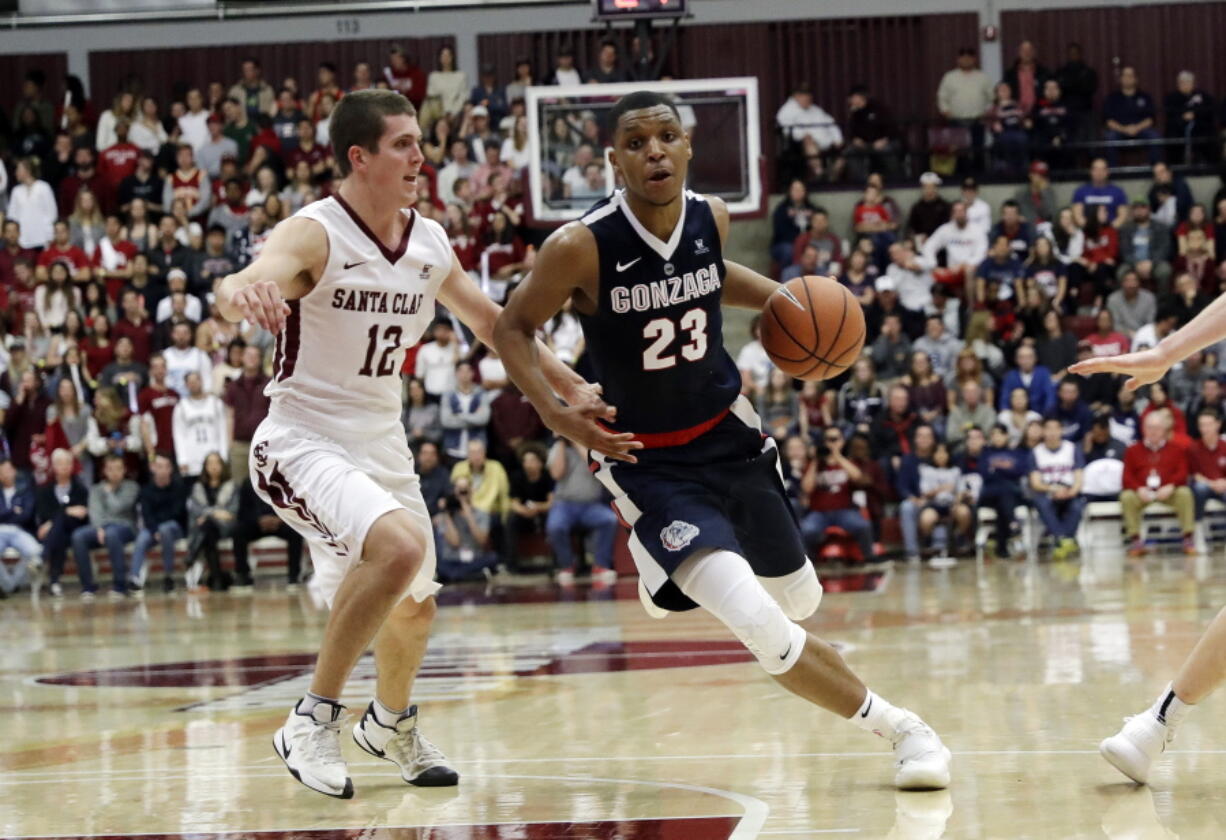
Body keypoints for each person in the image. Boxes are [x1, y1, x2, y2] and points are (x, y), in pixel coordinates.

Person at [494, 91, 950, 790]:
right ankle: (903, 730)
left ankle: (666, 576)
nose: (654, 151)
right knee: (764, 626)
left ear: (687, 148)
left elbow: (706, 277)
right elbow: (512, 327)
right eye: (637, 141)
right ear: (614, 160)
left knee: (798, 602)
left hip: (730, 438)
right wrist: (555, 414)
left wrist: (785, 302)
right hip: (647, 462)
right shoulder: (578, 246)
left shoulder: (713, 216)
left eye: (667, 137)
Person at [216, 89, 591, 798]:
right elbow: (249, 277)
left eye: (420, 142)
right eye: (402, 145)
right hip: (302, 438)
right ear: (359, 157)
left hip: (381, 443)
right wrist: (245, 289)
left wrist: (571, 387)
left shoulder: (428, 242)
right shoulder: (315, 232)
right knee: (399, 549)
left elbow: (495, 328)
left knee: (416, 603)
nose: (420, 156)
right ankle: (311, 718)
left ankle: (388, 723)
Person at [799, 426, 875, 561]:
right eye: (827, 439)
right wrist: (816, 460)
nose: (831, 443)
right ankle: (809, 563)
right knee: (807, 530)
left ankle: (869, 559)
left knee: (863, 526)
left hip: (844, 511)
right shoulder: (814, 463)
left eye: (835, 439)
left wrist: (837, 456)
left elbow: (858, 477)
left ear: (842, 441)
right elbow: (806, 488)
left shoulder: (848, 462)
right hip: (819, 512)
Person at [71, 454, 139, 599]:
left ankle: (120, 586)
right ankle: (88, 586)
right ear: (105, 471)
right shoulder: (96, 489)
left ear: (124, 470)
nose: (114, 472)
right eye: (110, 469)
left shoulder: (131, 487)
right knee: (78, 536)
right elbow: (94, 511)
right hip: (100, 528)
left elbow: (119, 507)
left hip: (125, 527)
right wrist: (99, 528)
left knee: (112, 534)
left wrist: (109, 493)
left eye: (118, 469)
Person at [1028, 417, 1085, 560]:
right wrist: (1053, 490)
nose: (1052, 433)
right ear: (1043, 431)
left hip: (1068, 489)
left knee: (1078, 505)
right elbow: (1035, 483)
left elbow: (1079, 478)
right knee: (1042, 503)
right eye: (1048, 429)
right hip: (1047, 490)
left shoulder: (1072, 449)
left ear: (1061, 431)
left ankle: (1063, 540)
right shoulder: (1036, 452)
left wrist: (1070, 492)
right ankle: (1064, 540)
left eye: (1055, 429)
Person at [131, 453, 188, 594]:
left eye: (166, 466)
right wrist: (154, 530)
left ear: (170, 469)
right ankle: (134, 578)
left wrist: (158, 528)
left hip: (176, 528)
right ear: (153, 468)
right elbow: (146, 514)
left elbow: (177, 512)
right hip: (154, 528)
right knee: (142, 538)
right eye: (159, 466)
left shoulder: (179, 487)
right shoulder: (146, 490)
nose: (163, 470)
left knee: (165, 529)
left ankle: (168, 576)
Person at [186, 451, 238, 591]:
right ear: (205, 467)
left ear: (223, 465)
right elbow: (195, 512)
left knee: (207, 527)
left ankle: (193, 555)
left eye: (217, 463)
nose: (214, 466)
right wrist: (216, 513)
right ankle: (217, 578)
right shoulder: (198, 488)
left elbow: (232, 513)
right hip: (206, 528)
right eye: (210, 463)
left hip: (225, 527)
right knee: (208, 530)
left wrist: (208, 514)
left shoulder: (232, 486)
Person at [978, 424, 1030, 558]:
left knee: (1004, 500)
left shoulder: (1016, 453)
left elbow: (1020, 471)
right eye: (993, 434)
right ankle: (1013, 527)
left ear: (1007, 435)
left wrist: (997, 468)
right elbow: (985, 474)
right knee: (1004, 491)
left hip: (1010, 493)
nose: (997, 437)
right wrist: (1007, 469)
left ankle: (1002, 548)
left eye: (1000, 433)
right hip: (990, 493)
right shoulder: (985, 453)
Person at [172, 372, 227, 481]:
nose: (193, 384)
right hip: (192, 457)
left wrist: (223, 456)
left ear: (201, 381)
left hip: (213, 455)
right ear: (186, 385)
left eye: (196, 380)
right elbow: (178, 435)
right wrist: (182, 460)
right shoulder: (181, 407)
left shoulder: (216, 403)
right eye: (190, 382)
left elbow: (223, 431)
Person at [1103, 66, 1161, 166]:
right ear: (1120, 79)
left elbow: (1150, 120)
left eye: (1130, 76)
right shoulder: (1112, 98)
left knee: (1154, 136)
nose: (1127, 78)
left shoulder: (1144, 97)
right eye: (1125, 75)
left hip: (1140, 129)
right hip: (1119, 130)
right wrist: (1124, 129)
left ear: (1135, 79)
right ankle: (1113, 171)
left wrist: (1136, 128)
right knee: (1110, 137)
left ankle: (1155, 169)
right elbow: (1109, 121)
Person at [0, 459, 41, 598]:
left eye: (9, 470)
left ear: (15, 472)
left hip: (20, 530)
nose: (7, 474)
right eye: (3, 471)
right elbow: (17, 513)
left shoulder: (26, 490)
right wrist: (13, 511)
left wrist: (5, 513)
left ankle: (8, 586)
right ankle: (9, 585)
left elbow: (26, 515)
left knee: (36, 553)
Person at [1073, 159, 1128, 229]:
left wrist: (1108, 230)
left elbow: (1122, 216)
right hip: (1088, 232)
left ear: (1107, 172)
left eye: (1102, 169)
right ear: (1091, 171)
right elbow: (1077, 216)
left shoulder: (1118, 191)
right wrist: (1091, 229)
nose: (1099, 173)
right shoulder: (1081, 191)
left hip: (1112, 231)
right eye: (1096, 169)